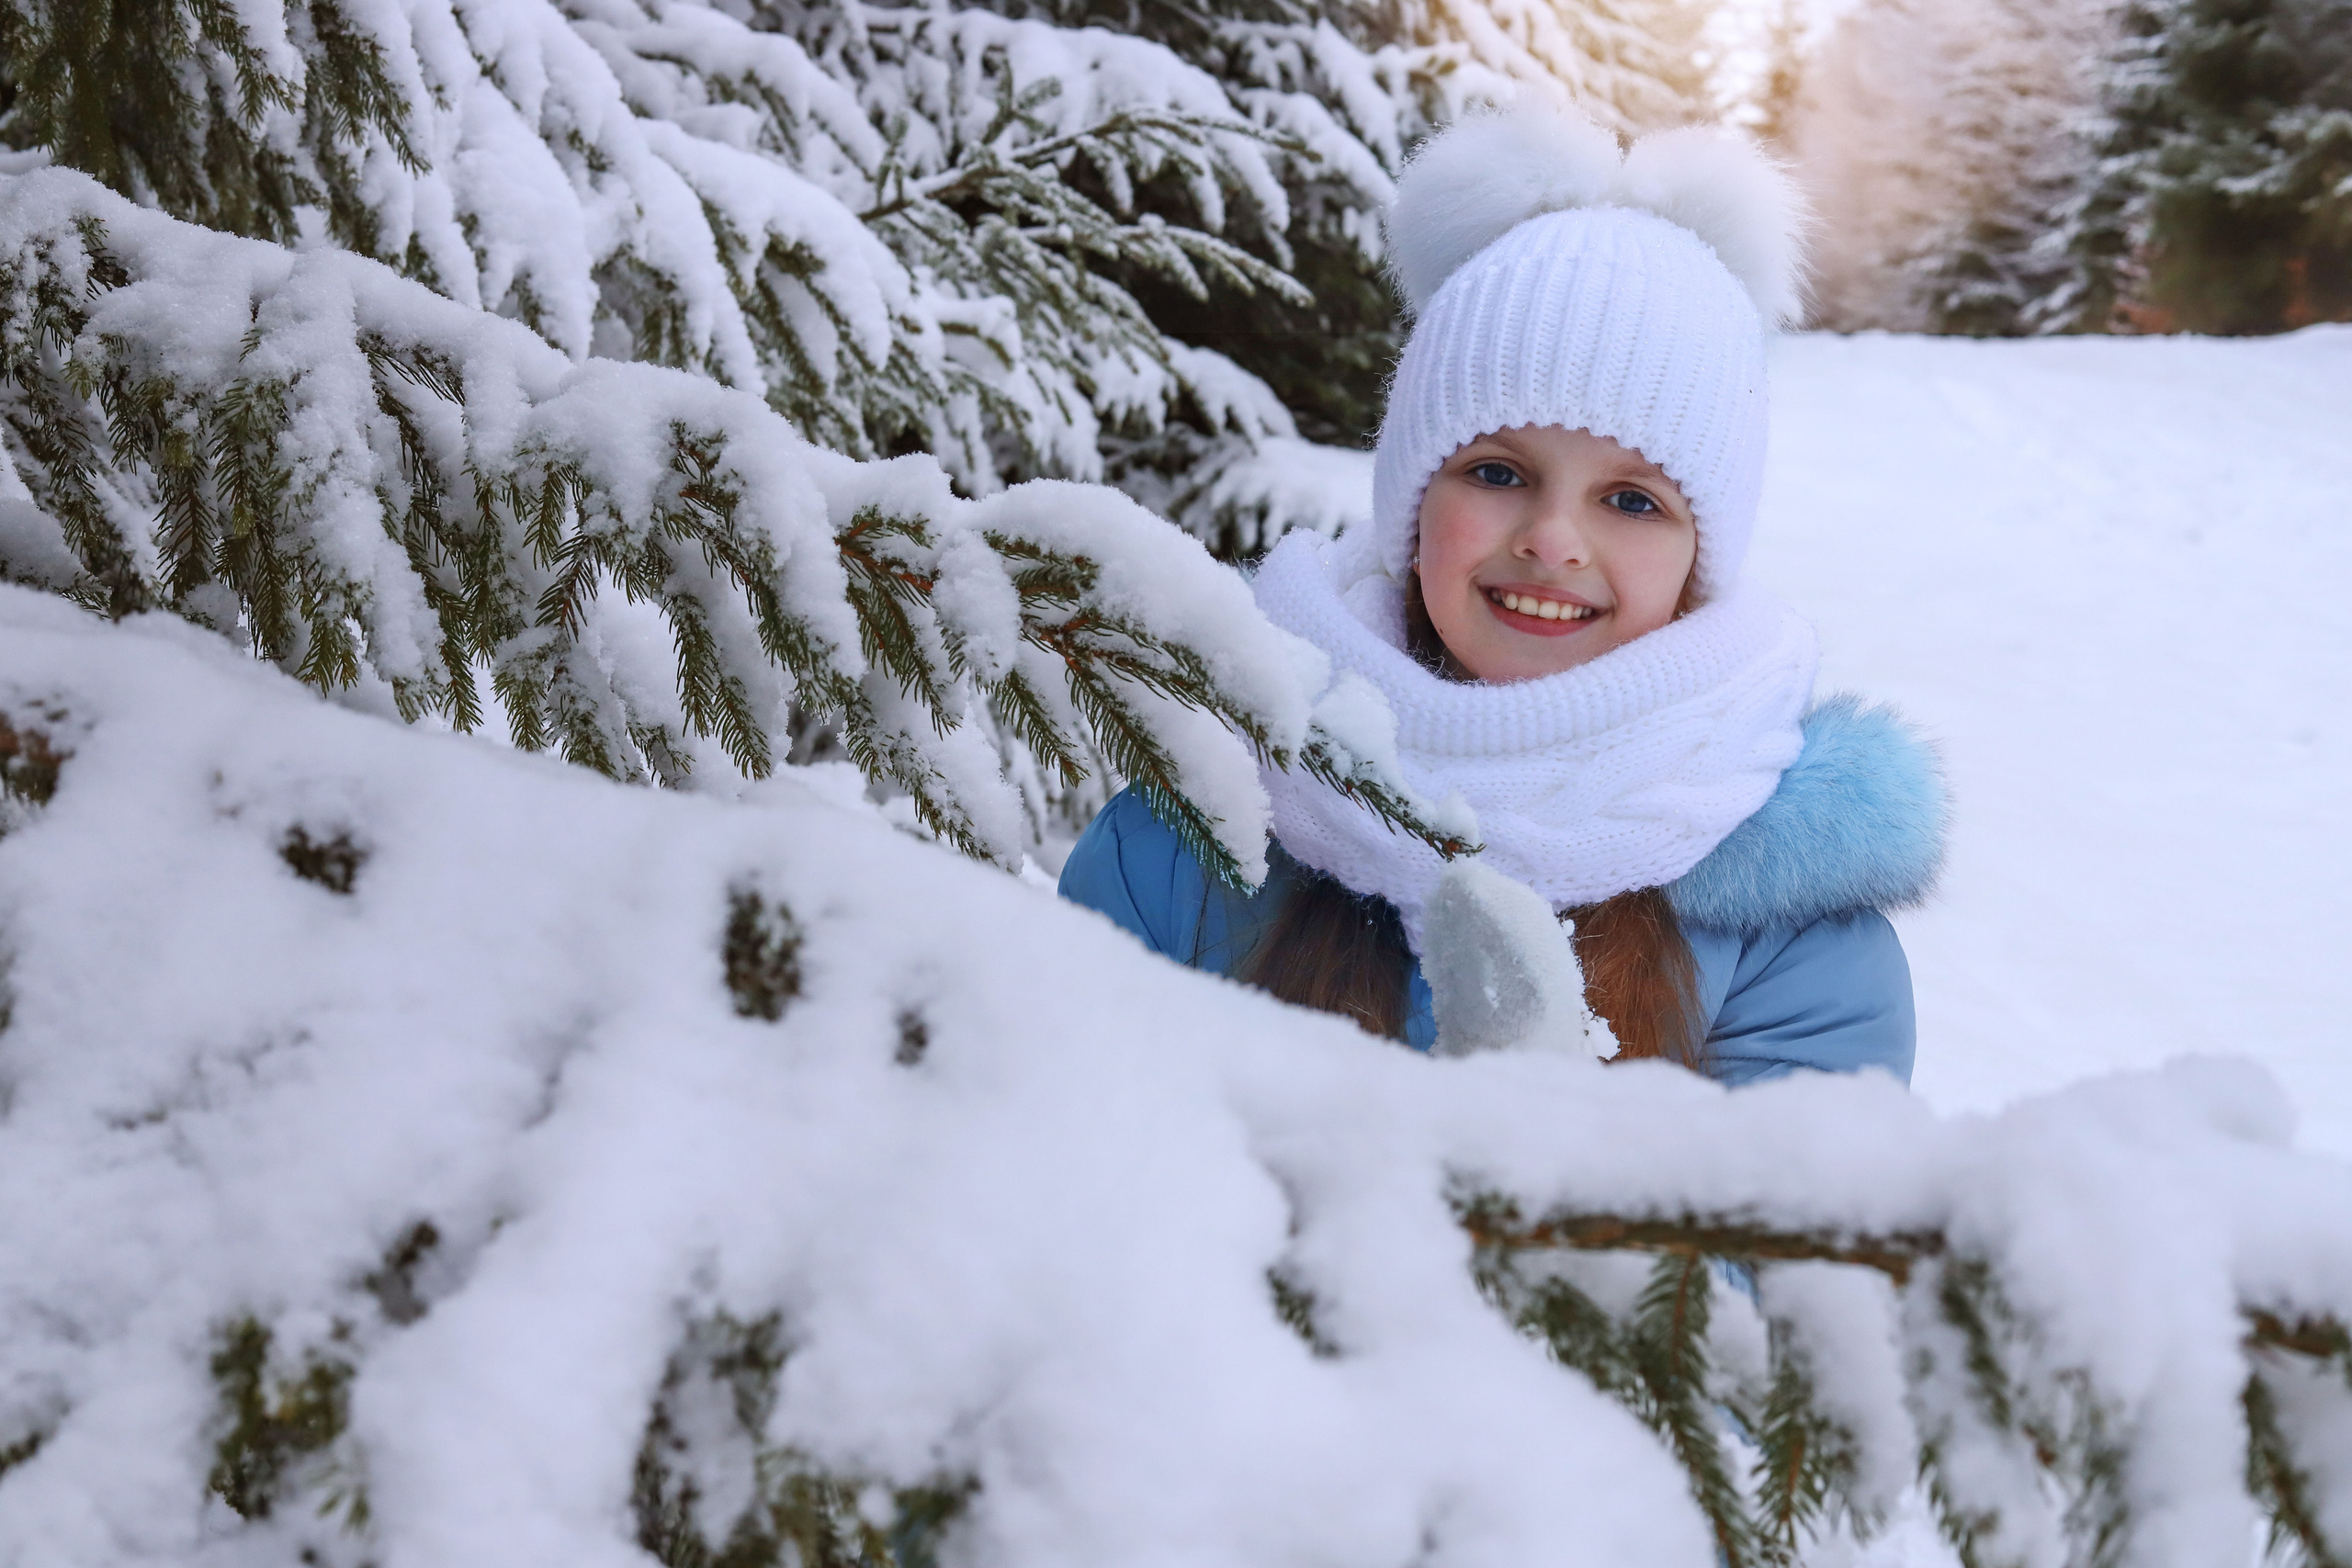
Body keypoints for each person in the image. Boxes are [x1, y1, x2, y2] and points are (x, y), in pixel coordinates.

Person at [1058, 105, 1946, 1086]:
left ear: (1703, 553)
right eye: (1495, 473)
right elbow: (1072, 1156)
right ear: (1409, 499)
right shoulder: (1205, 820)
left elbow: (1792, 1227)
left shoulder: (1783, 915)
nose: (1552, 541)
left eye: (1630, 499)